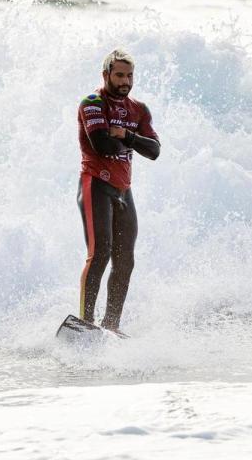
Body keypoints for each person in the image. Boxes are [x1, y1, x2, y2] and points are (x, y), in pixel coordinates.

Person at [76, 49, 161, 333]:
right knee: (100, 253)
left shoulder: (139, 109)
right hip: (95, 184)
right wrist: (133, 141)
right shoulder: (92, 102)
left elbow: (154, 151)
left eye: (130, 75)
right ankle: (85, 323)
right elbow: (102, 144)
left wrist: (126, 135)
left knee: (125, 260)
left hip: (124, 191)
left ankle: (111, 325)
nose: (125, 81)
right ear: (106, 75)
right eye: (119, 75)